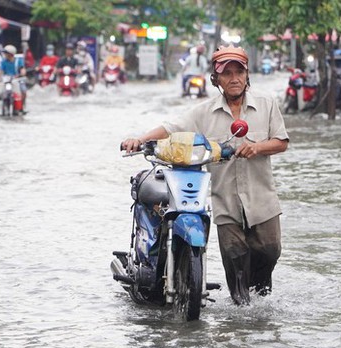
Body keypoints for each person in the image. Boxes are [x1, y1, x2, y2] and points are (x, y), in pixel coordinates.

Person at [122, 44, 289, 306]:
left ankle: (260, 303)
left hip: (262, 200)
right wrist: (139, 139)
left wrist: (257, 147)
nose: (234, 78)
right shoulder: (204, 112)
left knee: (270, 251)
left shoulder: (267, 105)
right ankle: (242, 315)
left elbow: (281, 141)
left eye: (239, 72)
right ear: (217, 79)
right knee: (235, 260)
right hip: (226, 203)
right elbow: (171, 128)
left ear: (247, 76)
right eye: (227, 73)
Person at [0, 44, 27, 114]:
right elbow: (0, 72)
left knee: (23, 91)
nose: (4, 54)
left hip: (16, 80)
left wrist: (22, 73)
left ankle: (21, 107)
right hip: (5, 81)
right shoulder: (3, 62)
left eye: (6, 53)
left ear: (10, 54)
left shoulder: (18, 61)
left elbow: (22, 70)